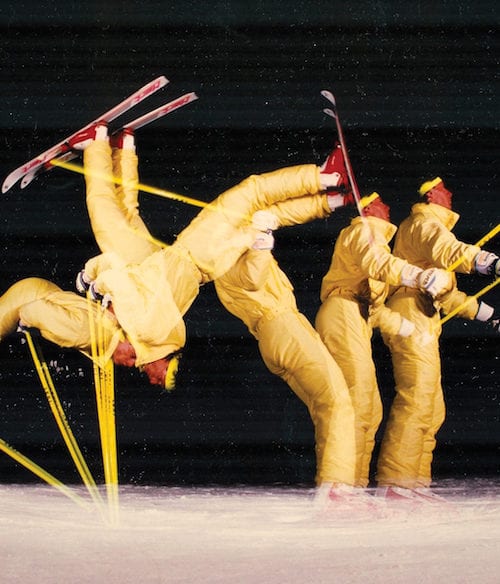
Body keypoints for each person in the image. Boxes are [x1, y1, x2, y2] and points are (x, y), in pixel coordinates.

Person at [72, 124, 351, 389]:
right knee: (251, 194)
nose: (153, 380)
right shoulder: (151, 334)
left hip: (169, 262)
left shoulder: (164, 337)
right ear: (168, 365)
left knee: (121, 213)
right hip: (194, 252)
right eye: (164, 379)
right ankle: (328, 177)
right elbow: (116, 281)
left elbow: (135, 315)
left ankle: (120, 147)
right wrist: (92, 280)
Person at [214, 191, 362, 504]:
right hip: (281, 327)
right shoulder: (228, 257)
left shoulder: (235, 251)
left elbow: (281, 214)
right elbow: (252, 278)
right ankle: (337, 489)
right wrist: (261, 242)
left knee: (325, 405)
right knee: (337, 398)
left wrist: (332, 202)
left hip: (278, 333)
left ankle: (332, 487)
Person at [314, 191, 454, 491]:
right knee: (358, 400)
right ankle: (339, 483)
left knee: (371, 408)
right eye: (380, 202)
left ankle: (356, 485)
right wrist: (417, 276)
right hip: (343, 310)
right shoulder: (363, 233)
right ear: (367, 209)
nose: (388, 206)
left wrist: (405, 327)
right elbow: (380, 263)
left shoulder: (374, 244)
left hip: (358, 314)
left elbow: (376, 308)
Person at [375, 177, 499, 504]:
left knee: (431, 408)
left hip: (422, 314)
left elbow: (449, 295)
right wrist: (488, 262)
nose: (451, 194)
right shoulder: (424, 224)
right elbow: (450, 251)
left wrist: (490, 316)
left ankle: (415, 483)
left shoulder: (430, 229)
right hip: (409, 311)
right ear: (432, 193)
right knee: (417, 397)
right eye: (445, 190)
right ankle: (395, 483)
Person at [0, 277, 129, 368]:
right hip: (28, 297)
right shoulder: (89, 336)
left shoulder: (108, 332)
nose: (131, 364)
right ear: (126, 342)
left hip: (37, 292)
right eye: (132, 355)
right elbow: (34, 311)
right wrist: (27, 323)